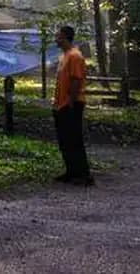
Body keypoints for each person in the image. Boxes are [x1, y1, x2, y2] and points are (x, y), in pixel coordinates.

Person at [53, 25, 93, 186]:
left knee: (74, 138)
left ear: (65, 37)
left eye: (58, 36)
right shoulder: (64, 56)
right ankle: (71, 171)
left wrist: (70, 101)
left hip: (72, 103)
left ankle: (84, 174)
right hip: (61, 104)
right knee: (65, 139)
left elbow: (77, 80)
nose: (55, 39)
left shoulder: (75, 56)